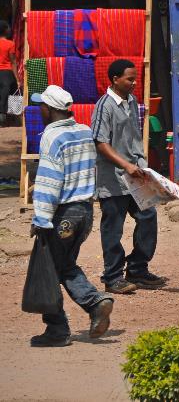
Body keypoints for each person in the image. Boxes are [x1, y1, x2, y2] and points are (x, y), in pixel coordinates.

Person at [29, 85, 114, 347]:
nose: (38, 109)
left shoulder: (52, 138)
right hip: (85, 212)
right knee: (63, 264)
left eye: (41, 105)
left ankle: (59, 328)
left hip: (63, 213)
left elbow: (49, 182)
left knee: (48, 268)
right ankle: (94, 305)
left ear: (51, 110)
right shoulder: (84, 131)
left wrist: (41, 219)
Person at [91, 59, 166, 294]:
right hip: (112, 179)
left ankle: (137, 269)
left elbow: (133, 138)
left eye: (135, 79)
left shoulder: (132, 102)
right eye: (129, 79)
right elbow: (100, 143)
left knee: (148, 217)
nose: (134, 83)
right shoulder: (104, 106)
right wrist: (126, 165)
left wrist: (142, 167)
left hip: (135, 176)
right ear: (115, 79)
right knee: (113, 228)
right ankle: (112, 277)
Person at [0, 20, 17, 125]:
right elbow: (13, 62)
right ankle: (9, 119)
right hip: (7, 73)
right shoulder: (10, 44)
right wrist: (17, 78)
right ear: (5, 30)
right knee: (10, 95)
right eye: (8, 28)